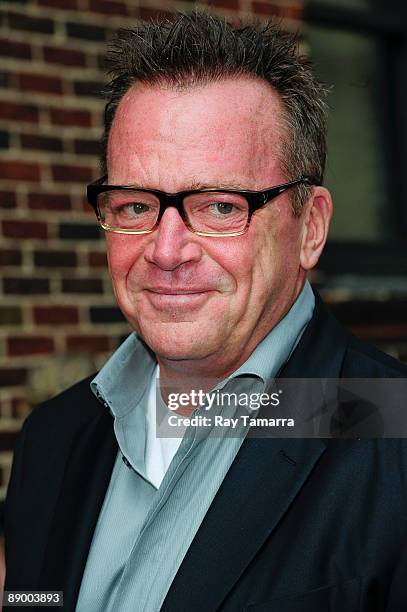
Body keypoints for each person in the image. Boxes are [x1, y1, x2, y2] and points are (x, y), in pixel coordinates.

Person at [4, 11, 407, 612]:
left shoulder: (390, 434)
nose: (166, 251)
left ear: (310, 228)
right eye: (137, 205)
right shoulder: (54, 437)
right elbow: (35, 599)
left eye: (221, 207)